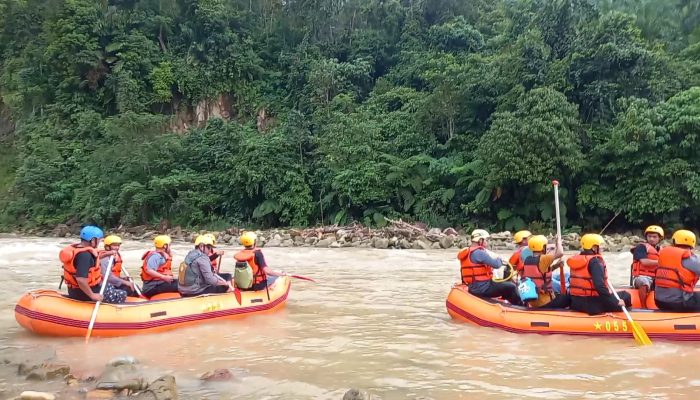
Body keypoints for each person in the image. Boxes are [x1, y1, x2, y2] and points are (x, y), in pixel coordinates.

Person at [59, 225, 127, 304]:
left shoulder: (78, 248)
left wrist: (109, 253)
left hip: (75, 290)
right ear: (93, 240)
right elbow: (80, 280)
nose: (99, 242)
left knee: (109, 286)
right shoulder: (84, 255)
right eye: (98, 240)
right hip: (83, 293)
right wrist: (92, 295)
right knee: (123, 294)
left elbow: (95, 258)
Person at [566, 233, 631, 315]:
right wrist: (614, 301)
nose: (602, 247)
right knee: (626, 295)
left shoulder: (577, 259)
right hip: (592, 305)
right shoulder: (595, 262)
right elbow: (599, 286)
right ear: (593, 247)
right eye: (600, 245)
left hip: (576, 302)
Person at [457, 229, 523, 305]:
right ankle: (521, 306)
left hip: (473, 287)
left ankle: (508, 303)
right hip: (483, 288)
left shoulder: (468, 251)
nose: (487, 242)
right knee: (511, 286)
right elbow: (497, 265)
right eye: (486, 240)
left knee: (503, 284)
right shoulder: (479, 253)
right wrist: (500, 259)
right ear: (480, 240)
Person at [654, 230, 700, 312]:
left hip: (659, 301)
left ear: (674, 241)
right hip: (679, 303)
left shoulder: (664, 253)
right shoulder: (688, 258)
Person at [521, 235, 569, 308]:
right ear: (543, 247)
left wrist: (556, 266)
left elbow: (541, 273)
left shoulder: (528, 260)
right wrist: (559, 242)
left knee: (558, 295)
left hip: (533, 302)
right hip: (545, 302)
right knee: (569, 298)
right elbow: (560, 253)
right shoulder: (543, 258)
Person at [630, 225, 663, 308]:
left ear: (659, 238)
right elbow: (644, 262)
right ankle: (643, 307)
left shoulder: (662, 250)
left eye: (654, 237)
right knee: (643, 281)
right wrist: (662, 262)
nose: (651, 239)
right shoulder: (641, 247)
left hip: (656, 277)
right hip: (641, 276)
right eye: (649, 236)